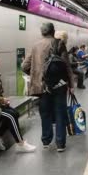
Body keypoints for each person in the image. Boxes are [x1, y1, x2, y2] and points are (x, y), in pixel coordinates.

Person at [22, 23, 74, 152]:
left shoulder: (35, 46)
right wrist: (71, 84)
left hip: (42, 86)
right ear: (53, 31)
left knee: (45, 113)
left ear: (42, 32)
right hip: (59, 85)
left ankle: (46, 140)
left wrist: (36, 74)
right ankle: (60, 144)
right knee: (60, 113)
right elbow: (66, 66)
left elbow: (24, 66)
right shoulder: (59, 44)